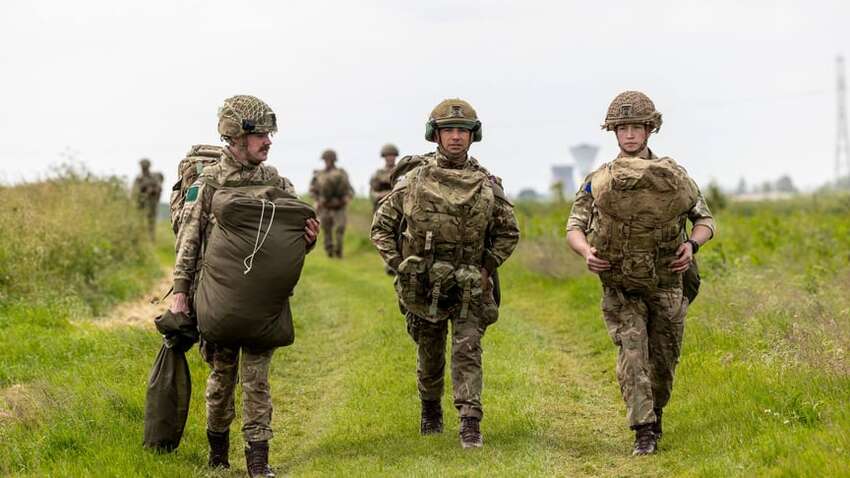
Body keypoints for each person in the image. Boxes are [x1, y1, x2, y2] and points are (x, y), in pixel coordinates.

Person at [169, 95, 319, 477]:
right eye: (259, 135)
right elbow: (188, 239)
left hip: (263, 301)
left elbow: (290, 240)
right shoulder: (208, 183)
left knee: (257, 379)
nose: (267, 142)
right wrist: (181, 294)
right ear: (234, 137)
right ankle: (218, 453)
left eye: (269, 134)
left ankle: (258, 460)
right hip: (217, 297)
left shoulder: (277, 183)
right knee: (221, 377)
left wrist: (309, 239)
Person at [566, 91, 715, 456]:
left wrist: (691, 246)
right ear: (614, 133)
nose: (630, 135)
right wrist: (587, 252)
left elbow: (705, 220)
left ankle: (656, 414)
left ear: (650, 130)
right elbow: (574, 226)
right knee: (632, 353)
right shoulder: (599, 180)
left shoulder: (673, 176)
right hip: (621, 285)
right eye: (623, 128)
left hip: (667, 282)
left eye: (636, 128)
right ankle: (643, 430)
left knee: (663, 361)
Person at [371, 98, 520, 449]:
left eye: (463, 131)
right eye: (449, 130)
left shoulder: (486, 184)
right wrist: (400, 266)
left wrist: (487, 268)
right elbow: (382, 227)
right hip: (424, 285)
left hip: (470, 284)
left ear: (473, 136)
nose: (456, 137)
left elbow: (508, 232)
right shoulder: (413, 181)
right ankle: (430, 409)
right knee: (430, 351)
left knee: (468, 349)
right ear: (435, 135)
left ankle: (470, 422)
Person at [309, 149, 354, 258]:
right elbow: (312, 190)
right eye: (326, 159)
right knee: (326, 231)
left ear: (334, 160)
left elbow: (349, 190)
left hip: (339, 206)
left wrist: (346, 199)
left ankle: (339, 252)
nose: (328, 161)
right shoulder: (319, 174)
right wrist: (318, 200)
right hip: (325, 207)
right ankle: (329, 252)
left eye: (330, 159)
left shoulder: (342, 174)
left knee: (340, 229)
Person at [132, 158, 163, 239]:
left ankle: (151, 239)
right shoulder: (138, 178)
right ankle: (141, 239)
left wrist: (152, 190)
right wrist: (142, 191)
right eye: (143, 166)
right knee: (140, 222)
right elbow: (134, 192)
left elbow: (159, 188)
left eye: (145, 166)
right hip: (141, 203)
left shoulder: (154, 177)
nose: (144, 168)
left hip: (151, 203)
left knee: (151, 223)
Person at [369, 143, 399, 211]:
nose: (390, 158)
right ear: (384, 157)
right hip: (382, 207)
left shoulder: (400, 171)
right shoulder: (378, 174)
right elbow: (372, 193)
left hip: (397, 208)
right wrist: (383, 195)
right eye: (388, 156)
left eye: (392, 155)